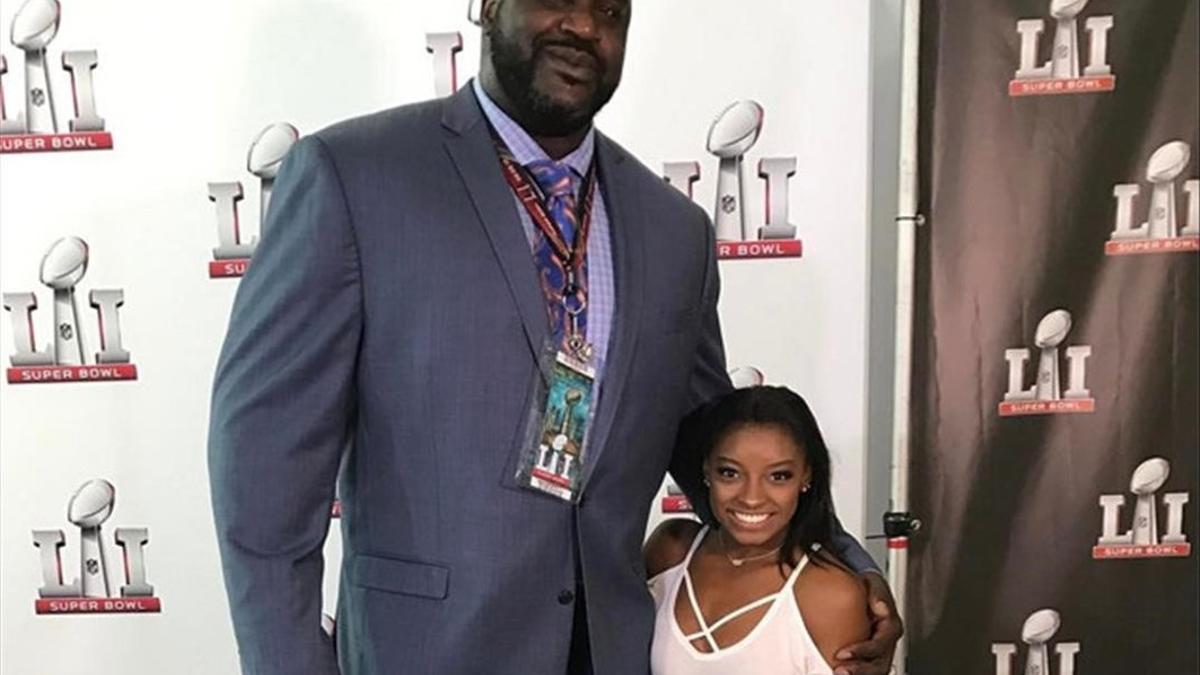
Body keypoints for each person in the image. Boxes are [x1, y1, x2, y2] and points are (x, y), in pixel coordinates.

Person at [207, 1, 901, 673]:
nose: (582, 27)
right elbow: (264, 466)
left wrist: (845, 561)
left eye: (609, 11)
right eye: (556, 0)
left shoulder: (673, 229)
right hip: (427, 651)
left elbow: (713, 441)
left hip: (610, 648)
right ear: (488, 5)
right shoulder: (354, 177)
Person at [646, 386, 870, 674]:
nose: (751, 497)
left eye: (778, 476)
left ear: (806, 476)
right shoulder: (669, 552)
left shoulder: (831, 596)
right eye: (730, 473)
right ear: (706, 470)